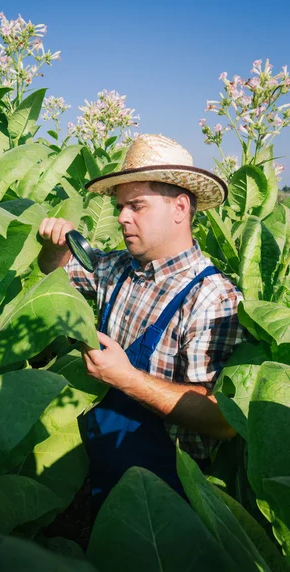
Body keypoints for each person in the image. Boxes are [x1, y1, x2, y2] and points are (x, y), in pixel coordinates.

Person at [38, 133, 244, 518]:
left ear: (180, 207)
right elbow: (54, 273)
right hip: (100, 462)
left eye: (137, 206)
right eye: (120, 207)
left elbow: (222, 420)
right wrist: (55, 246)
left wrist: (125, 378)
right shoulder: (115, 267)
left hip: (167, 492)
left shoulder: (212, 298)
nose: (121, 218)